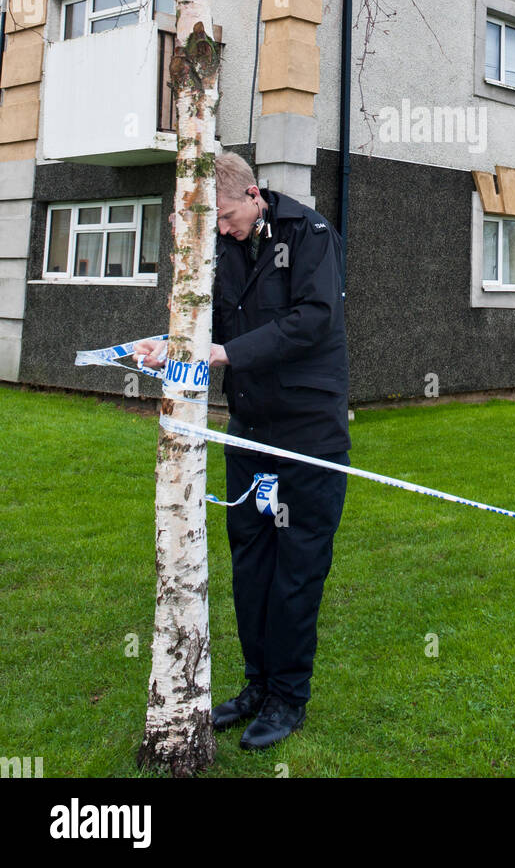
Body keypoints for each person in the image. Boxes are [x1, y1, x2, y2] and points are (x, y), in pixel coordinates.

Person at [136, 151, 350, 750]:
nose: (224, 229)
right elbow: (212, 326)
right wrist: (170, 345)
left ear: (254, 194)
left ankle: (288, 698)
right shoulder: (224, 243)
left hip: (308, 435)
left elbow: (313, 321)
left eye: (228, 216)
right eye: (217, 222)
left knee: (296, 571)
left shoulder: (310, 236)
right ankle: (256, 686)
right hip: (249, 434)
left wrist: (222, 355)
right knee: (252, 565)